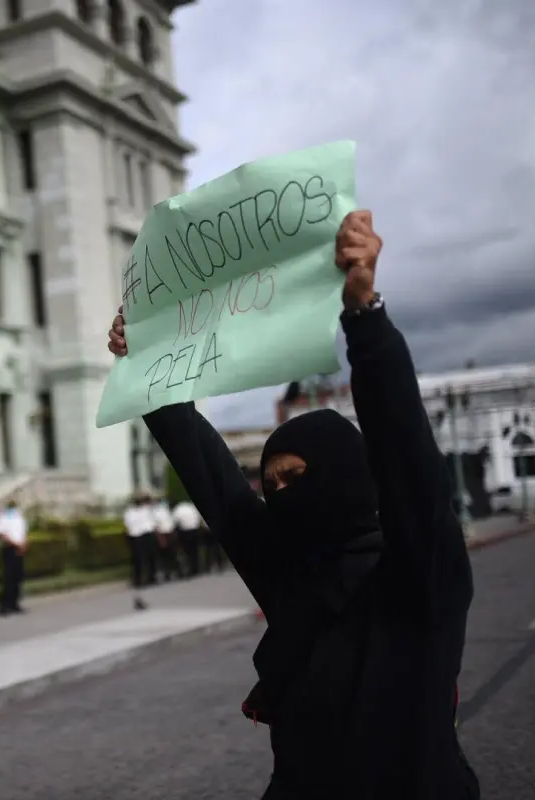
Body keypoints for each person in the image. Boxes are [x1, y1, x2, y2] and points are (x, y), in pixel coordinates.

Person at [106, 210, 480, 798]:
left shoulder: (420, 575)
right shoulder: (292, 577)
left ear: (351, 479)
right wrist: (149, 374)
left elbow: (408, 461)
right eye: (271, 484)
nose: (280, 497)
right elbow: (216, 484)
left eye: (296, 477)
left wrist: (364, 318)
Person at [0, 501, 28, 616]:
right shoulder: (3, 518)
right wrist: (16, 545)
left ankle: (14, 603)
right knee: (8, 578)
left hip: (20, 549)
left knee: (17, 577)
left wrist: (23, 545)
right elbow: (3, 535)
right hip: (9, 549)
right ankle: (4, 605)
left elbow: (23, 533)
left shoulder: (19, 518)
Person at [122, 494, 159, 598]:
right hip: (136, 536)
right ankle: (138, 580)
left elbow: (153, 522)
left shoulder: (146, 510)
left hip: (147, 534)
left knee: (151, 557)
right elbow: (128, 525)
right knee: (138, 559)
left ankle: (152, 577)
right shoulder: (129, 512)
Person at [172, 498, 204, 578]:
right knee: (195, 550)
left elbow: (175, 522)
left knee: (187, 551)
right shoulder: (191, 507)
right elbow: (198, 518)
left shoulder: (177, 509)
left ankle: (190, 569)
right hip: (195, 530)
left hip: (185, 532)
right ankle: (196, 568)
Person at [153, 494, 181, 581]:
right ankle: (172, 572)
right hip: (166, 533)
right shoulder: (164, 511)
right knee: (169, 554)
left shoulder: (158, 511)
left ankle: (171, 572)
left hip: (165, 534)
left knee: (167, 555)